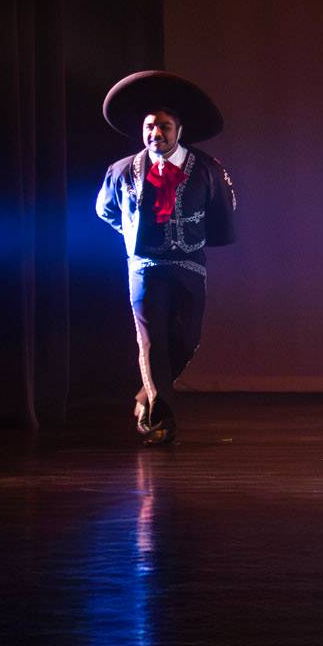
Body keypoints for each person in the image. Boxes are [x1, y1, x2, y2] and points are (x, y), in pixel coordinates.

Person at [95, 70, 238, 446]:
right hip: (144, 267)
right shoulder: (123, 170)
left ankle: (147, 393)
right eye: (149, 127)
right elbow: (105, 210)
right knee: (152, 341)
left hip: (189, 263)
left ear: (178, 130)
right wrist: (131, 233)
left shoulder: (206, 169)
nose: (155, 134)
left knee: (187, 339)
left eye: (163, 127)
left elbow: (223, 212)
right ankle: (159, 421)